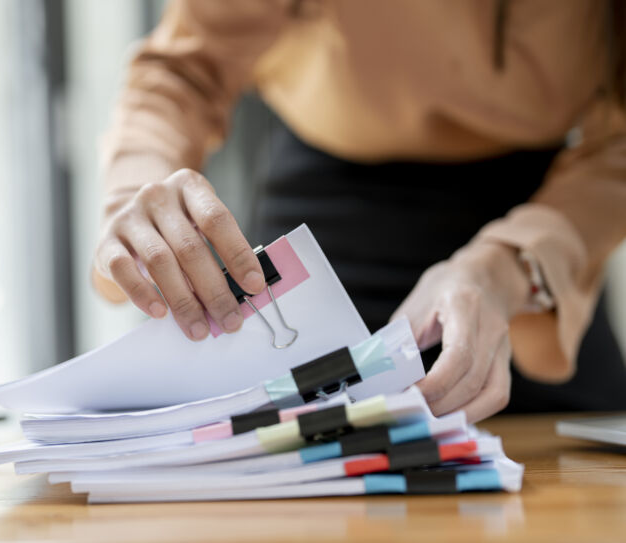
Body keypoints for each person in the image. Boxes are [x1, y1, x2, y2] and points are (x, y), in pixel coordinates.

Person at [90, 0, 626, 422]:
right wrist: (135, 190)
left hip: (540, 231)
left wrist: (511, 269)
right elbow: (184, 68)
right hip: (322, 223)